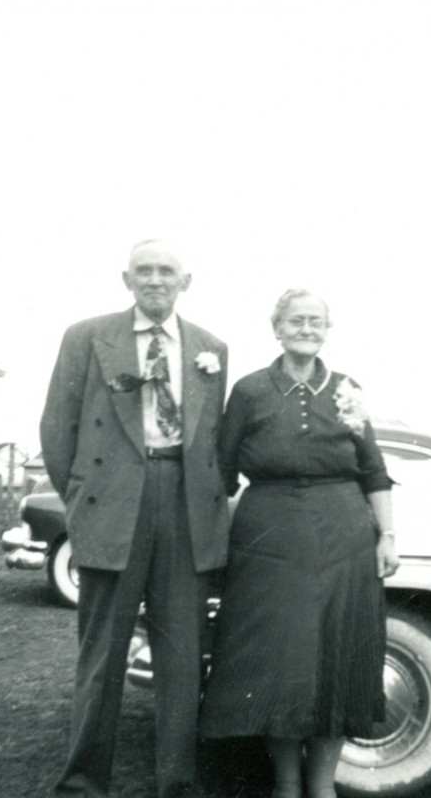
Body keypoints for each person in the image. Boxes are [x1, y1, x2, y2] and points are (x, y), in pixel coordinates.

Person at [40, 239, 229, 798]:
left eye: (165, 271)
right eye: (143, 271)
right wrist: (82, 498)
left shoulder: (210, 347)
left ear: (185, 281)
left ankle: (177, 781)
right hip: (113, 502)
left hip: (185, 508)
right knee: (102, 654)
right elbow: (57, 429)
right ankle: (82, 782)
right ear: (126, 280)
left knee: (181, 654)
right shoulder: (87, 337)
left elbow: (212, 438)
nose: (154, 280)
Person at [199, 289, 399, 798]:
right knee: (279, 663)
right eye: (296, 320)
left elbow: (374, 472)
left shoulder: (347, 389)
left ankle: (323, 786)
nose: (306, 328)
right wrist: (215, 542)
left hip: (345, 541)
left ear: (326, 330)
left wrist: (387, 537)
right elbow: (221, 475)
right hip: (268, 542)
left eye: (315, 321)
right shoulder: (249, 392)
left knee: (337, 659)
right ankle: (286, 785)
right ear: (277, 328)